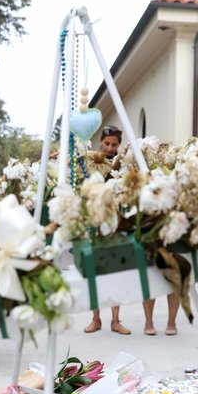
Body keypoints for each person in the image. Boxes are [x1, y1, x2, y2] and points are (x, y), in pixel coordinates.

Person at [83, 125, 132, 335]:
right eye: (106, 144)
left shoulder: (121, 166)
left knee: (116, 272)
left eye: (114, 144)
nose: (110, 148)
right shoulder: (90, 162)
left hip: (115, 224)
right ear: (100, 143)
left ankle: (115, 320)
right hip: (94, 223)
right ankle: (96, 318)